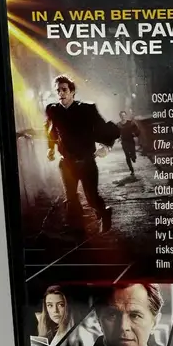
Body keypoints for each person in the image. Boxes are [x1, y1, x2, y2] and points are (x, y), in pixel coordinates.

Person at [39, 283, 164, 346]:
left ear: (155, 322)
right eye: (112, 315)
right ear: (99, 319)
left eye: (135, 315)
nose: (123, 327)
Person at [44, 75, 118, 234]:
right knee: (71, 198)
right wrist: (51, 148)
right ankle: (78, 230)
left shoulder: (87, 109)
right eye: (57, 90)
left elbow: (105, 129)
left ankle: (104, 213)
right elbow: (50, 130)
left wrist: (106, 146)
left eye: (64, 90)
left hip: (86, 162)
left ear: (72, 91)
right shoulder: (53, 110)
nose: (60, 93)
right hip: (66, 163)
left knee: (91, 197)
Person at [117, 109, 140, 175]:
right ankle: (131, 169)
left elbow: (137, 130)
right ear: (120, 116)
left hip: (131, 141)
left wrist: (135, 134)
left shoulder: (130, 123)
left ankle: (133, 157)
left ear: (126, 116)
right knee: (127, 155)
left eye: (124, 115)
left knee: (133, 155)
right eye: (121, 116)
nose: (123, 117)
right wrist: (118, 137)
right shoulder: (118, 124)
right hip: (124, 141)